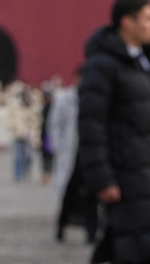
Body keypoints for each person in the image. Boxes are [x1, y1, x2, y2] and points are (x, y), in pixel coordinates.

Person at [78, 0, 150, 264]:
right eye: (148, 19)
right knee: (141, 250)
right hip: (127, 179)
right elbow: (91, 126)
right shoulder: (102, 66)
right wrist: (103, 179)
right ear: (127, 22)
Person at [50, 68, 97, 244]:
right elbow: (55, 125)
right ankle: (61, 228)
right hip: (70, 155)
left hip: (90, 156)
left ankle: (91, 232)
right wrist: (58, 148)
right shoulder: (65, 99)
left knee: (92, 197)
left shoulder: (95, 99)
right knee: (68, 197)